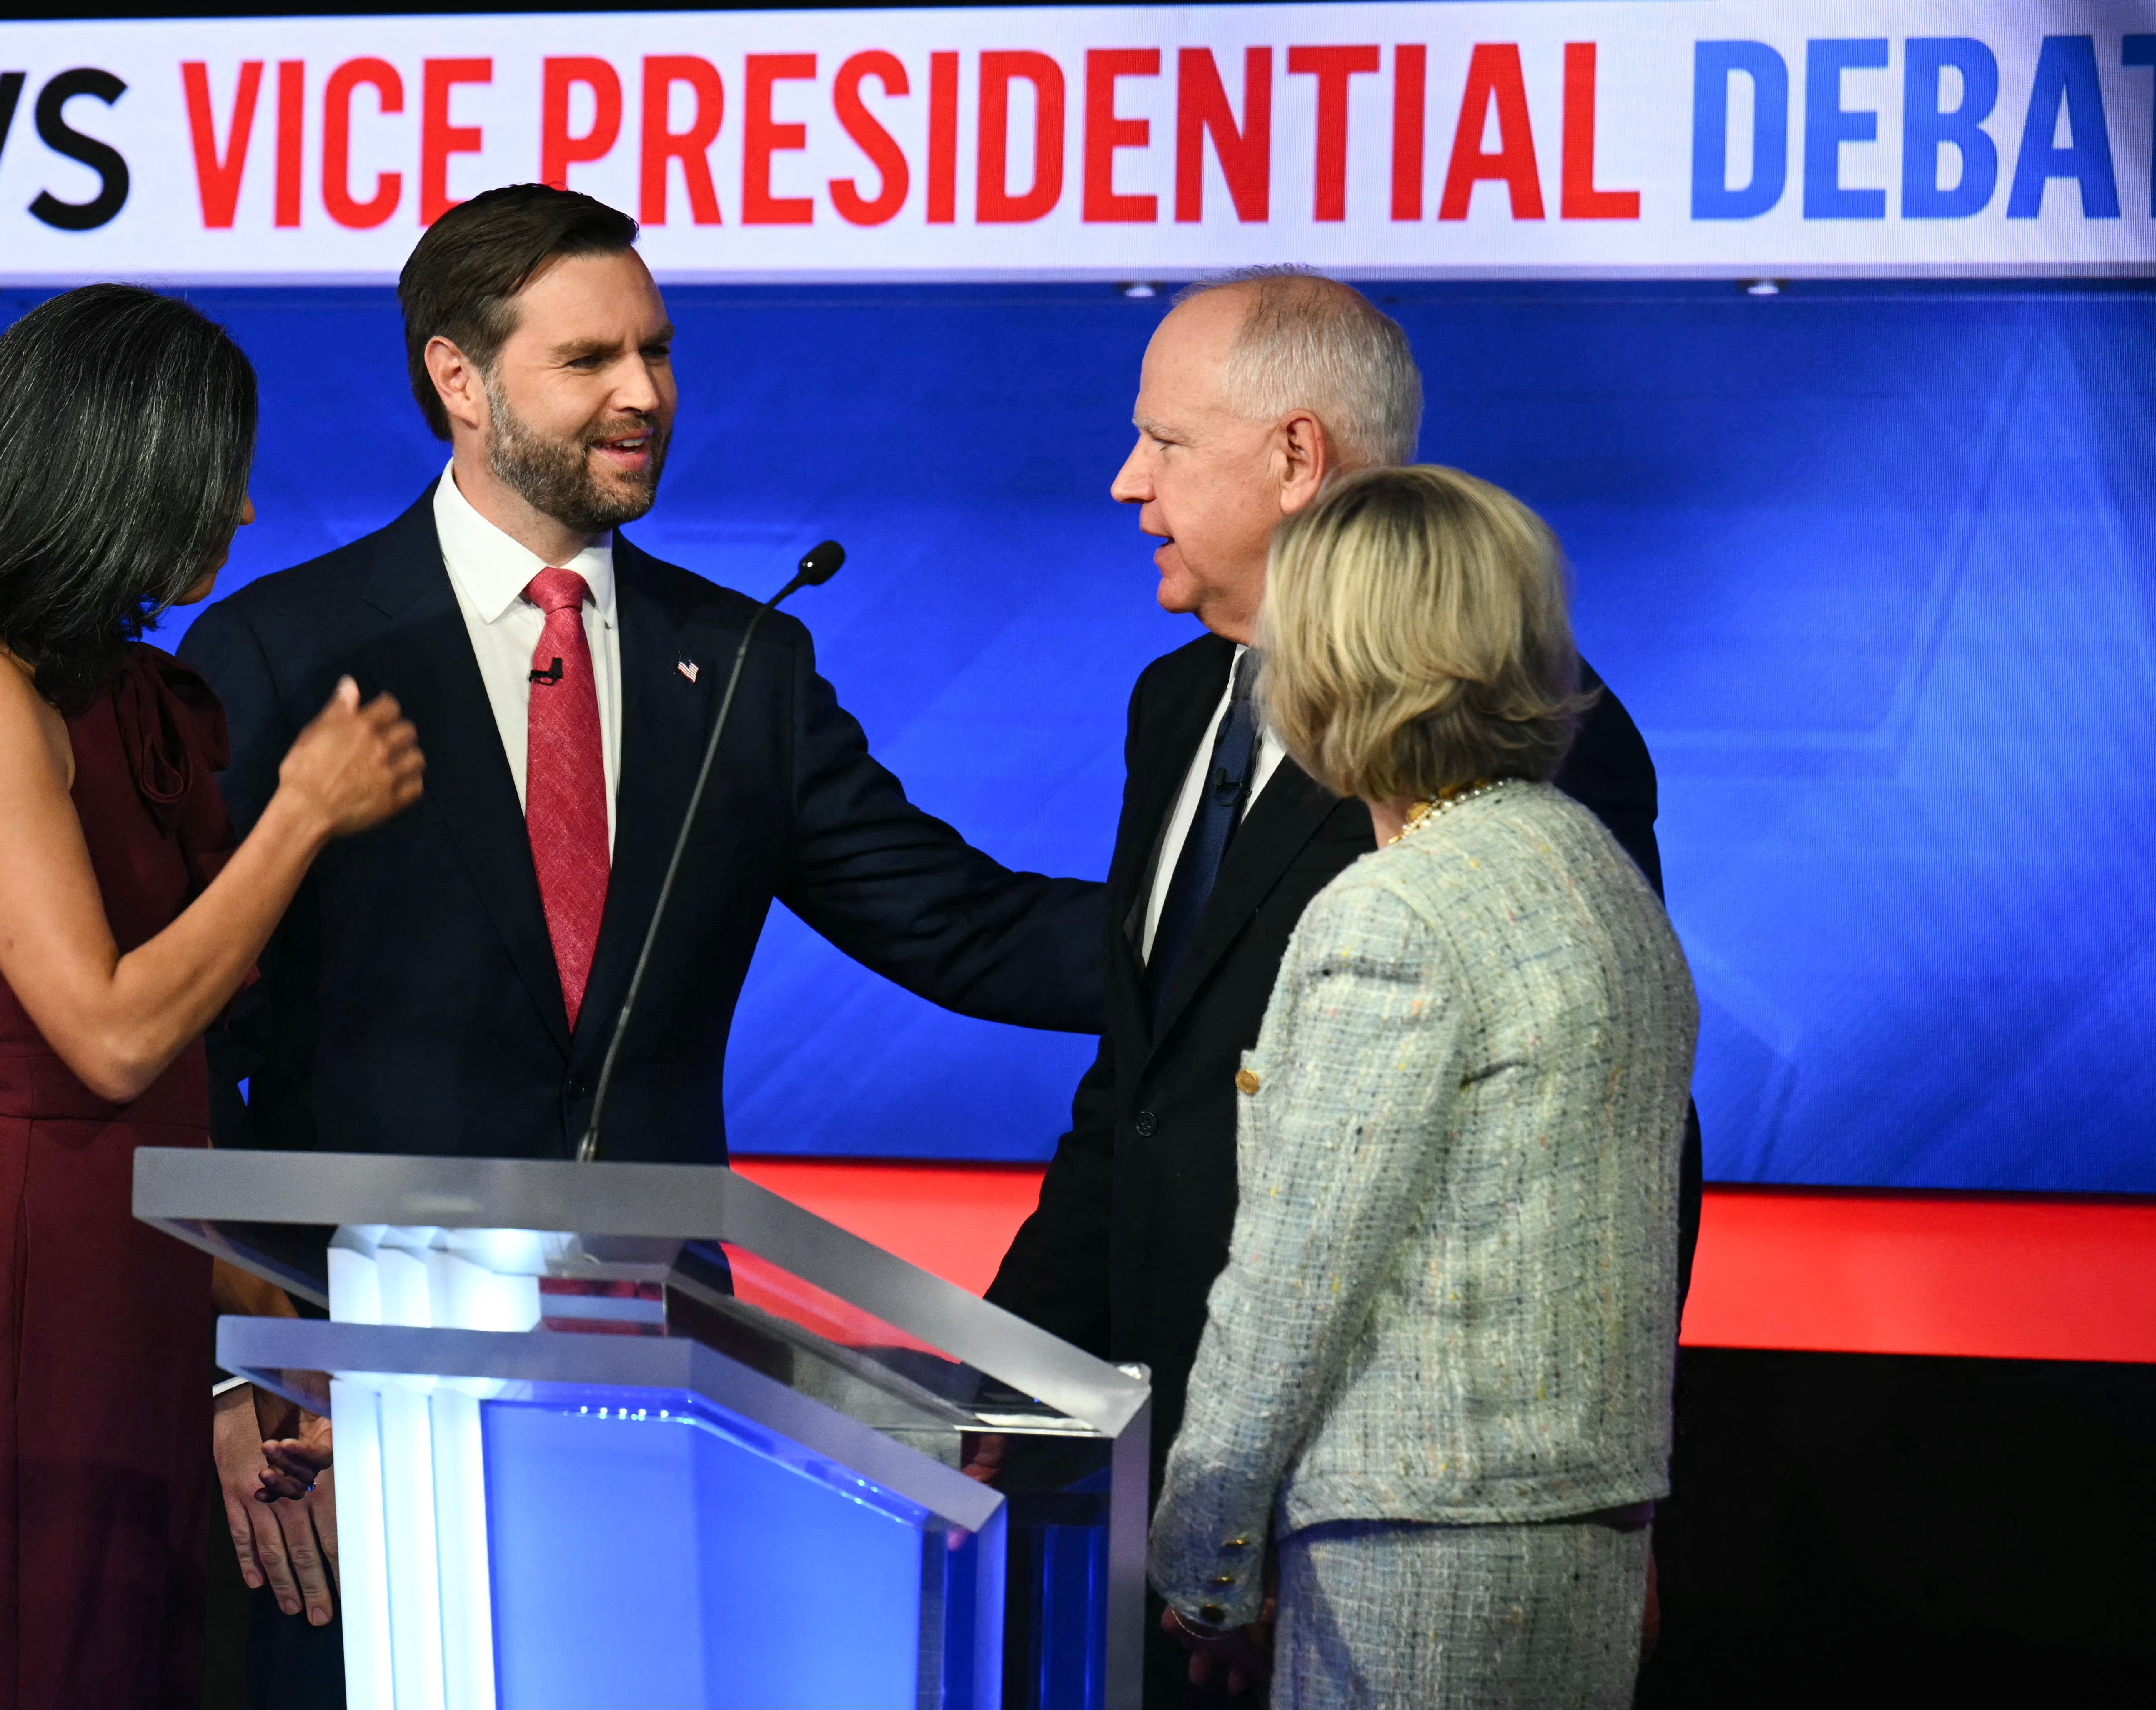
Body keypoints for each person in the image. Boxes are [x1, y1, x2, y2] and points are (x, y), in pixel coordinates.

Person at [175, 184, 1105, 1697]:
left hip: (665, 1391)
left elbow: (967, 928)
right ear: (458, 383)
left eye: (659, 353)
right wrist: (245, 1356)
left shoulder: (740, 663)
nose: (645, 396)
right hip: (363, 1408)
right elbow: (202, 1034)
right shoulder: (288, 649)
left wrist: (1252, 936)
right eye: (591, 359)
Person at [980, 269, 1689, 1705]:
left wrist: (1216, 1541)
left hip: (1371, 1518)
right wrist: (1023, 1375)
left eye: (1166, 443)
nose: (1128, 482)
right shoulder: (1183, 708)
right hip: (1242, 1477)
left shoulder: (1470, 827)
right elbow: (1144, 1090)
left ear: (1297, 459)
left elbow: (1612, 1163)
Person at [0, 284, 424, 1710]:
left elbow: (185, 1069)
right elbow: (112, 1036)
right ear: (117, 465)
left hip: (149, 1274)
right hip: (35, 1280)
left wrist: (241, 1339)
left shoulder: (136, 695)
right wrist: (301, 813)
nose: (242, 513)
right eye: (215, 469)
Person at [1147, 463, 1698, 1706]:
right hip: (1585, 1532)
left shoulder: (1395, 914)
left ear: (1339, 662)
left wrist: (1200, 1561)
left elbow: (1296, 1283)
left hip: (1416, 1549)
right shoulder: (1589, 870)